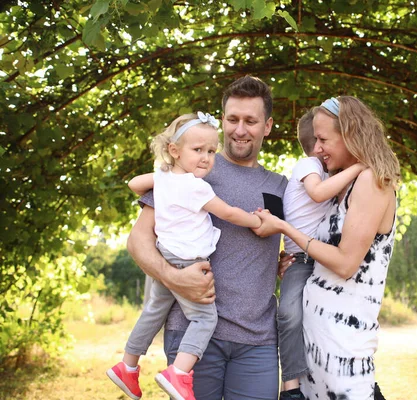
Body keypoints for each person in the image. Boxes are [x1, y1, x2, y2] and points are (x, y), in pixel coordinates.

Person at [126, 76, 288, 399]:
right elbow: (138, 241)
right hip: (193, 336)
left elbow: (280, 240)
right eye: (232, 119)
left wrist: (284, 262)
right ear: (223, 119)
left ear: (267, 126)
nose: (239, 129)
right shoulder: (191, 170)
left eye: (250, 121)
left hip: (257, 342)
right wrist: (175, 277)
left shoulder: (280, 187)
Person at [107, 111, 263, 400]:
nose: (205, 158)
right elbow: (227, 213)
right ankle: (178, 374)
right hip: (187, 260)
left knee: (154, 310)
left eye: (211, 151)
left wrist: (159, 180)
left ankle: (127, 366)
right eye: (198, 150)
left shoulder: (164, 177)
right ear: (174, 150)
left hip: (165, 253)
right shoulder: (195, 186)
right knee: (205, 319)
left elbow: (133, 184)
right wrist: (256, 221)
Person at [254, 96, 400, 399]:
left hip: (342, 351)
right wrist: (294, 261)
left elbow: (346, 263)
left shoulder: (372, 180)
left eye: (322, 139)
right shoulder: (340, 184)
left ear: (350, 136)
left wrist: (285, 229)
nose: (315, 147)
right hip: (314, 349)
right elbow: (322, 252)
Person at [278, 108, 365, 400]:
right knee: (289, 315)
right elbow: (316, 194)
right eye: (319, 140)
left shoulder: (335, 176)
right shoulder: (307, 166)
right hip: (300, 261)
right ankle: (289, 387)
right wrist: (358, 166)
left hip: (324, 260)